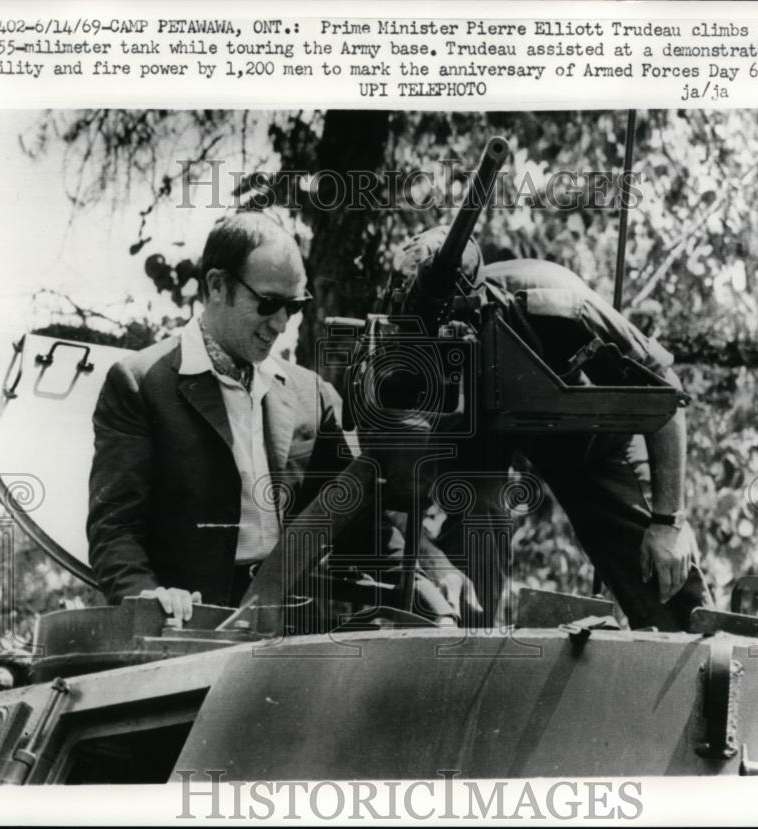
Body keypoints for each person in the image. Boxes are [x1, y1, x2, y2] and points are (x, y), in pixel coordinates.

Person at [88, 212, 462, 624]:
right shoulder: (140, 385)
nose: (282, 324)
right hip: (190, 628)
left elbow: (360, 525)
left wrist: (426, 581)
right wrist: (148, 597)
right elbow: (115, 530)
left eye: (295, 307)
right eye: (268, 303)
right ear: (217, 286)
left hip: (289, 626)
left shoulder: (309, 394)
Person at [397, 227, 713, 632]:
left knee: (661, 572)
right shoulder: (397, 342)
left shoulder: (556, 304)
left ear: (475, 307)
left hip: (590, 436)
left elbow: (665, 391)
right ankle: (463, 658)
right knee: (469, 544)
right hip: (483, 430)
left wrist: (669, 522)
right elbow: (389, 493)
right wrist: (433, 560)